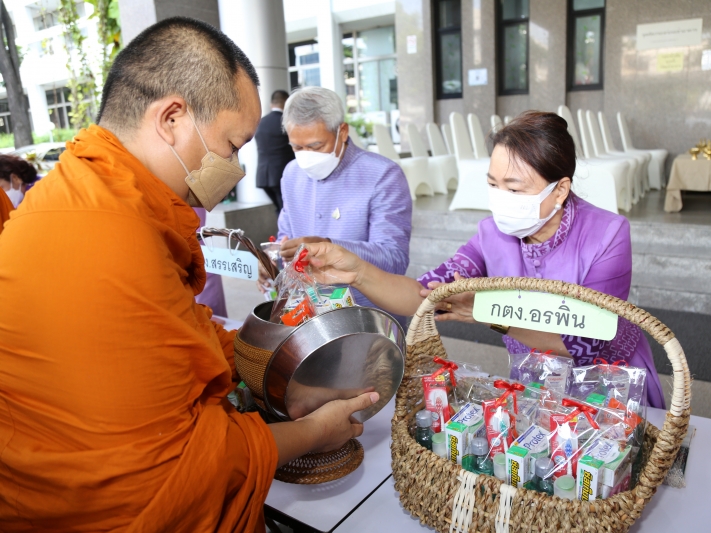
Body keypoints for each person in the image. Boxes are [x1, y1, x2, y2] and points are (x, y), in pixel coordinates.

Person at [0, 17, 377, 532]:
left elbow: (177, 339)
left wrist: (280, 369)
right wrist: (315, 433)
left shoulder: (68, 192)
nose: (238, 168)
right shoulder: (115, 238)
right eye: (232, 145)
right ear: (173, 118)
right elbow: (179, 468)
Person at [303, 111, 666, 409]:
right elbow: (425, 295)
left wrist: (490, 314)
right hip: (538, 379)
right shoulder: (492, 234)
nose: (500, 197)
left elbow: (587, 342)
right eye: (493, 184)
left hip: (610, 382)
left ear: (560, 190)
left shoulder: (608, 234)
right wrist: (357, 272)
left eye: (514, 188)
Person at [274, 86, 412, 316]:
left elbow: (394, 259)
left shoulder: (382, 175)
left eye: (316, 146)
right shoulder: (291, 173)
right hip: (306, 312)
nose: (306, 156)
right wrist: (275, 256)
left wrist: (327, 245)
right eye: (297, 147)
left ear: (343, 132)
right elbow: (285, 237)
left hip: (367, 314)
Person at [255, 89, 294, 213]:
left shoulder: (260, 122)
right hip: (281, 175)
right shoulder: (287, 122)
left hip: (263, 176)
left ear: (272, 104)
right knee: (286, 211)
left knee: (280, 209)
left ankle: (281, 232)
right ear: (287, 103)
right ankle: (285, 233)